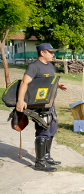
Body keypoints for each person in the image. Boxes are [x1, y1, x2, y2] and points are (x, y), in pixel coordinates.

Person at [16, 43, 67, 172]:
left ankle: (46, 157)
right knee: (43, 131)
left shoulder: (50, 66)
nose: (53, 54)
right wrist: (20, 100)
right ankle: (39, 163)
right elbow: (24, 82)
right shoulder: (34, 66)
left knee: (52, 129)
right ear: (42, 53)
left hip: (50, 104)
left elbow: (50, 80)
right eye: (50, 52)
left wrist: (59, 85)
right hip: (39, 105)